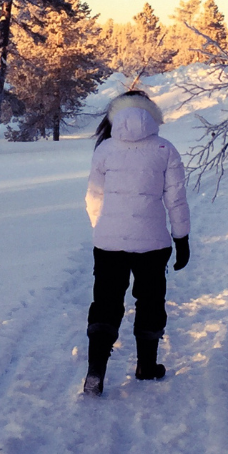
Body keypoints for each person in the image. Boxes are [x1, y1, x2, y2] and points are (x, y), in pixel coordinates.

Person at [82, 89, 190, 396]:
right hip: (152, 244)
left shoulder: (104, 149)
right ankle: (146, 366)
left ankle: (96, 371)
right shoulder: (164, 148)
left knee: (105, 302)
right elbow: (176, 199)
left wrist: (103, 228)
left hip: (108, 243)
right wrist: (181, 238)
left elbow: (93, 197)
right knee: (150, 300)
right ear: (151, 113)